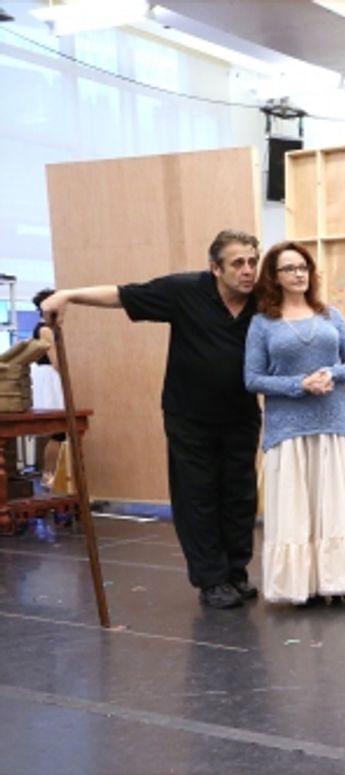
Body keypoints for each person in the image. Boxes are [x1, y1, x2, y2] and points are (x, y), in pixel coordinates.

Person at [42, 230, 265, 609]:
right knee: (198, 497)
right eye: (238, 263)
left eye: (253, 262)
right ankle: (211, 579)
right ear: (215, 268)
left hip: (241, 416)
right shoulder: (184, 291)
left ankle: (235, 574)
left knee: (240, 497)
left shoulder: (262, 300)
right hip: (189, 417)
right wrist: (68, 295)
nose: (248, 271)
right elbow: (122, 295)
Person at [245, 241, 345, 606]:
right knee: (297, 509)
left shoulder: (330, 315)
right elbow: (253, 379)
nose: (299, 274)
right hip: (288, 429)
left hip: (332, 423)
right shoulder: (262, 324)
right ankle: (303, 585)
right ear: (274, 277)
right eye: (290, 268)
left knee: (338, 506)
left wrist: (330, 373)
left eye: (303, 267)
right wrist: (298, 384)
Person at [28, 289, 66, 488]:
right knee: (58, 431)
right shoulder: (45, 329)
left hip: (46, 377)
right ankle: (49, 474)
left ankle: (49, 474)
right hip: (50, 378)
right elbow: (55, 361)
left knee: (56, 431)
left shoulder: (45, 328)